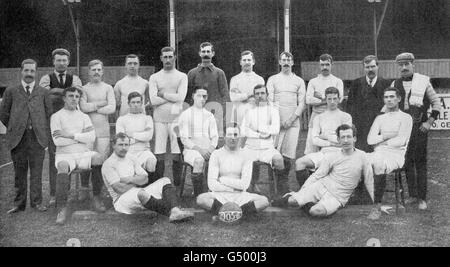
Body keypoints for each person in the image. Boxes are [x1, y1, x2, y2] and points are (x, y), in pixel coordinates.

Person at [272, 124, 374, 218]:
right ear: (338, 140)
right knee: (293, 201)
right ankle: (282, 200)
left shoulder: (362, 156)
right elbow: (317, 175)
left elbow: (369, 180)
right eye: (343, 137)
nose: (346, 140)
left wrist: (375, 202)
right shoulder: (333, 155)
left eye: (349, 137)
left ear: (354, 138)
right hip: (322, 185)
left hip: (337, 196)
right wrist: (303, 190)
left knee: (316, 211)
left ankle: (308, 204)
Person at [102, 133, 194, 222]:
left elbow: (145, 178)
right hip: (121, 200)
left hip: (136, 191)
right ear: (113, 145)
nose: (124, 148)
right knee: (141, 193)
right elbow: (119, 188)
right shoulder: (109, 164)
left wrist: (129, 179)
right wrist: (137, 181)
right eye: (120, 145)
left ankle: (175, 211)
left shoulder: (130, 158)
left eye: (126, 145)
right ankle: (171, 212)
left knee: (165, 180)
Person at [0, 59, 52, 214]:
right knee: (19, 172)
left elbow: (49, 115)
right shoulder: (10, 91)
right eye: (26, 70)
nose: (29, 74)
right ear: (21, 71)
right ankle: (19, 203)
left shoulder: (43, 92)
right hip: (18, 138)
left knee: (37, 172)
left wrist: (42, 132)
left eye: (32, 71)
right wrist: (16, 127)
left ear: (36, 73)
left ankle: (37, 202)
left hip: (37, 138)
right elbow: (3, 114)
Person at [391, 52, 441, 210]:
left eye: (407, 64)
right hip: (403, 131)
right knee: (406, 162)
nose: (404, 67)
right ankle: (412, 195)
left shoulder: (424, 81)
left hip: (419, 128)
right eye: (401, 65)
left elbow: (437, 104)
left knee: (420, 162)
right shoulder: (395, 83)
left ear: (413, 65)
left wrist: (429, 122)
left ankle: (422, 198)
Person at [51, 87, 102, 225]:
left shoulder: (84, 116)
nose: (74, 99)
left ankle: (96, 198)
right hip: (65, 154)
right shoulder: (56, 117)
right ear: (64, 98)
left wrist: (70, 135)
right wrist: (81, 137)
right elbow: (57, 140)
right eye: (71, 96)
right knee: (62, 166)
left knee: (98, 158)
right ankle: (62, 208)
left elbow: (91, 137)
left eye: (77, 96)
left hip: (83, 153)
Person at [196, 123, 269, 219]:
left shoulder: (247, 154)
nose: (232, 138)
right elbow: (212, 184)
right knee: (201, 199)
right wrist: (231, 189)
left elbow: (244, 185)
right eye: (229, 134)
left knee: (264, 201)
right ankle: (238, 214)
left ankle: (224, 214)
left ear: (239, 137)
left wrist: (223, 180)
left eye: (235, 135)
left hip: (240, 195)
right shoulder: (216, 154)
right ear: (224, 137)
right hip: (221, 194)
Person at [39, 48, 83, 206]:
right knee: (54, 158)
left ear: (68, 62)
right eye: (59, 60)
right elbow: (44, 94)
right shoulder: (46, 77)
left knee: (69, 156)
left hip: (71, 123)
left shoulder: (75, 78)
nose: (61, 63)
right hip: (53, 123)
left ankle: (67, 192)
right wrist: (66, 91)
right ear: (53, 62)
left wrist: (55, 91)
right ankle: (53, 194)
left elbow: (78, 92)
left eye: (64, 60)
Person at [291, 87, 352, 189]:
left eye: (335, 99)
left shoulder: (346, 117)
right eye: (329, 99)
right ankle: (306, 192)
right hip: (324, 153)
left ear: (338, 99)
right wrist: (332, 142)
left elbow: (345, 139)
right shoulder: (318, 118)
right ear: (325, 100)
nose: (332, 102)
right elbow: (315, 140)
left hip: (340, 154)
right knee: (299, 162)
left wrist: (325, 136)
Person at [366, 87, 413, 211]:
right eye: (386, 97)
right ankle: (361, 199)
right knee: (359, 160)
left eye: (392, 97)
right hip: (379, 152)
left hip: (396, 155)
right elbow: (370, 140)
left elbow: (401, 140)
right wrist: (387, 136)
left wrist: (382, 143)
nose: (389, 100)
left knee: (379, 164)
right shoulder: (380, 118)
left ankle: (377, 206)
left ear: (399, 98)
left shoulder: (406, 117)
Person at [79, 59, 116, 212]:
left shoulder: (108, 88)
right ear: (89, 72)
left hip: (103, 132)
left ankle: (97, 195)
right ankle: (84, 189)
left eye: (99, 70)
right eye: (93, 70)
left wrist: (93, 108)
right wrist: (101, 104)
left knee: (99, 162)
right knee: (85, 161)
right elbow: (82, 107)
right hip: (87, 131)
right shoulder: (83, 89)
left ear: (102, 71)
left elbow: (112, 108)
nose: (96, 72)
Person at [148, 46, 187, 184]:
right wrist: (172, 97)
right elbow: (153, 100)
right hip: (159, 119)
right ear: (161, 58)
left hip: (176, 119)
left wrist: (162, 94)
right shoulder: (154, 77)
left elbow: (181, 97)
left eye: (170, 56)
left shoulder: (182, 76)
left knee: (177, 152)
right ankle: (159, 185)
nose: (168, 59)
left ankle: (176, 186)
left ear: (175, 57)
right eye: (165, 57)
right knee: (159, 151)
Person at [241, 84, 289, 196]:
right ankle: (245, 192)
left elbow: (275, 129)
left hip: (267, 148)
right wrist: (260, 134)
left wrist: (256, 129)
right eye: (257, 94)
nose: (260, 96)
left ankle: (282, 195)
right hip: (250, 148)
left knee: (278, 160)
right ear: (254, 96)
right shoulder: (249, 111)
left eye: (262, 93)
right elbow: (243, 131)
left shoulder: (273, 111)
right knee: (239, 161)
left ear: (267, 95)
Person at [267, 51, 306, 186]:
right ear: (279, 62)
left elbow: (301, 103)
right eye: (283, 60)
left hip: (292, 124)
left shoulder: (299, 81)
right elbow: (270, 100)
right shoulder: (272, 79)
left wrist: (291, 120)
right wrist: (277, 119)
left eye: (289, 60)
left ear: (292, 62)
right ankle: (273, 188)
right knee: (273, 154)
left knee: (288, 156)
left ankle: (284, 186)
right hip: (276, 123)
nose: (286, 63)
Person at [178, 87, 218, 196]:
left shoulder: (209, 115)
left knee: (224, 158)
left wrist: (210, 149)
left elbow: (215, 136)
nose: (202, 99)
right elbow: (184, 139)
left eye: (204, 96)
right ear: (193, 96)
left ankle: (217, 193)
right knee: (199, 161)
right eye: (199, 96)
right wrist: (201, 150)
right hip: (192, 150)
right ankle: (199, 196)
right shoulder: (186, 114)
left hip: (208, 150)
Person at [347, 55, 391, 152]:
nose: (370, 69)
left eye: (372, 66)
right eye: (367, 67)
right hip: (361, 128)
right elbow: (350, 106)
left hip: (379, 127)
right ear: (364, 68)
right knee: (361, 155)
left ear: (377, 67)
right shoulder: (356, 84)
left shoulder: (386, 84)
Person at [305, 54, 344, 155]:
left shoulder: (337, 81)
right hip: (316, 115)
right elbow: (308, 100)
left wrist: (320, 96)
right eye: (322, 65)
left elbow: (338, 100)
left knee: (332, 146)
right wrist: (327, 98)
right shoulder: (313, 82)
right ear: (319, 65)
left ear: (332, 65)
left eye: (327, 64)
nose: (325, 67)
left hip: (332, 116)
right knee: (311, 148)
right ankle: (311, 170)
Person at [115, 91, 157, 186]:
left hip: (144, 150)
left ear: (141, 103)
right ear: (128, 103)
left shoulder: (147, 118)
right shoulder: (122, 119)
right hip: (128, 151)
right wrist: (141, 137)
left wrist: (132, 135)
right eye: (133, 102)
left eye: (138, 102)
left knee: (151, 161)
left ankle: (148, 189)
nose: (136, 105)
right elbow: (121, 139)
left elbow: (148, 136)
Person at [186, 42, 228, 106]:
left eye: (208, 51)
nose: (206, 54)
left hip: (214, 111)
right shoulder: (192, 73)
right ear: (199, 53)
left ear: (213, 54)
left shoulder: (219, 73)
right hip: (197, 111)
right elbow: (188, 96)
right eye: (203, 51)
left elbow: (225, 95)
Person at [229, 50, 265, 126]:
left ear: (253, 62)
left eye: (249, 60)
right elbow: (233, 98)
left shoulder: (259, 79)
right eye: (244, 60)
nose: (247, 62)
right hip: (238, 117)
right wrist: (250, 94)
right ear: (240, 62)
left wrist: (241, 96)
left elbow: (261, 98)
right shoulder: (235, 79)